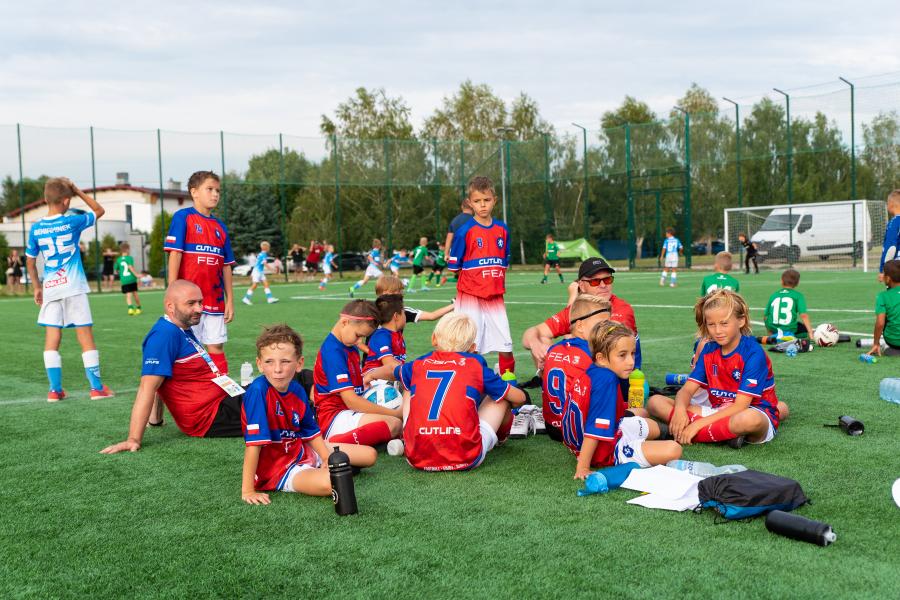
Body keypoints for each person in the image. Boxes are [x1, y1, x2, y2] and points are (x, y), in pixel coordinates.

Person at [100, 280, 248, 454]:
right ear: (170, 306)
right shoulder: (164, 335)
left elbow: (163, 377)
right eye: (191, 303)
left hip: (224, 399)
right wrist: (133, 439)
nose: (199, 309)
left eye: (200, 302)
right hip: (210, 415)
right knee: (272, 402)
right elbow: (148, 387)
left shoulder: (181, 328)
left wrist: (156, 420)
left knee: (270, 387)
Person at [240, 324, 376, 504]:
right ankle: (317, 474)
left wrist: (326, 458)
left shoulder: (297, 390)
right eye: (269, 362)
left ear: (299, 363)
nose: (277, 369)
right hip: (280, 468)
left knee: (370, 455)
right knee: (332, 482)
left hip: (301, 449)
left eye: (285, 361)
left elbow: (310, 431)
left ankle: (320, 467)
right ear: (259, 364)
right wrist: (248, 490)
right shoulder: (258, 392)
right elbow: (253, 445)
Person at [647, 290, 788, 447]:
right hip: (718, 410)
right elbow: (686, 390)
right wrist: (679, 411)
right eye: (711, 325)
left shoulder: (753, 353)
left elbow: (740, 406)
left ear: (741, 321)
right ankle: (725, 435)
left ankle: (684, 431)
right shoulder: (709, 349)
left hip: (747, 411)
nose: (718, 331)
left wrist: (697, 424)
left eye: (724, 323)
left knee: (749, 420)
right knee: (655, 402)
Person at [393, 312, 526, 470]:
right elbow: (519, 398)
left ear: (434, 338)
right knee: (501, 394)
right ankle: (501, 438)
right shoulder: (475, 364)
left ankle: (408, 437)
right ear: (473, 348)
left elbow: (393, 371)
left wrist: (372, 375)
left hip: (416, 457)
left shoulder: (418, 364)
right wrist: (510, 391)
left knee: (408, 384)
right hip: (466, 457)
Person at [25, 177, 113, 402]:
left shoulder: (36, 228)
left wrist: (37, 287)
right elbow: (99, 210)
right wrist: (77, 190)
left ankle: (55, 391)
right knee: (85, 335)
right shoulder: (73, 222)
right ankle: (96, 388)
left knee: (52, 337)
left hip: (51, 288)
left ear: (45, 198)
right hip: (73, 287)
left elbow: (30, 262)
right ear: (66, 201)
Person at [566, 322, 682, 480]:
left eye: (632, 353)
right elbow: (594, 429)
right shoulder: (606, 380)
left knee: (643, 413)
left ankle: (667, 434)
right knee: (673, 450)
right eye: (622, 355)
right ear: (601, 358)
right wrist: (583, 467)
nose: (631, 361)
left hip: (610, 431)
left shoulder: (589, 370)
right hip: (603, 450)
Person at [165, 170, 235, 369]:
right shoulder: (183, 217)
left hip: (215, 300)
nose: (215, 194)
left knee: (216, 346)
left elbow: (226, 266)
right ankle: (183, 386)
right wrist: (172, 291)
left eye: (218, 191)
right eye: (209, 189)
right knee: (186, 349)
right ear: (194, 192)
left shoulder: (220, 227)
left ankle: (219, 386)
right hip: (187, 301)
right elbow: (175, 254)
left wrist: (230, 300)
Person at [522, 257, 641, 374]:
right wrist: (535, 345)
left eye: (607, 279)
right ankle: (551, 384)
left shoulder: (622, 308)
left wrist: (571, 335)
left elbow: (605, 341)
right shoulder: (581, 309)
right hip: (590, 370)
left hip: (620, 376)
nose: (603, 285)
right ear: (582, 286)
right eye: (595, 281)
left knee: (575, 342)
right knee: (540, 339)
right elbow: (530, 334)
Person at [447, 176, 516, 377]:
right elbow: (454, 267)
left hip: (495, 297)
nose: (482, 205)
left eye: (487, 200)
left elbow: (504, 260)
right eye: (477, 201)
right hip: (470, 296)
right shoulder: (464, 231)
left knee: (505, 344)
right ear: (470, 203)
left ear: (495, 200)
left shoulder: (502, 229)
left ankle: (507, 381)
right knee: (470, 343)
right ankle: (469, 380)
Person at [313, 299, 402, 445]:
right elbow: (351, 401)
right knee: (394, 424)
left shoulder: (349, 345)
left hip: (349, 410)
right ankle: (329, 445)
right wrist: (396, 414)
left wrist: (369, 377)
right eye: (358, 335)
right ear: (345, 322)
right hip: (334, 417)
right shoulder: (333, 352)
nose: (359, 341)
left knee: (396, 409)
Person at [541, 295, 612, 442]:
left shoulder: (553, 349)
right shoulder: (595, 354)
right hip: (580, 429)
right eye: (601, 325)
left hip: (552, 428)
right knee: (638, 413)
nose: (607, 330)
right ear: (580, 326)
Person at [361, 294, 407, 383]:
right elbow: (389, 365)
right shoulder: (381, 336)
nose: (405, 316)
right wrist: (411, 370)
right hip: (373, 380)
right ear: (396, 316)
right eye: (404, 313)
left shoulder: (396, 334)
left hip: (387, 378)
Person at [375, 275, 454, 324]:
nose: (401, 294)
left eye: (401, 291)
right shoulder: (372, 310)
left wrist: (454, 305)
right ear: (385, 293)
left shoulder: (403, 311)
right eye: (398, 291)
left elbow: (432, 316)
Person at [763, 268, 813, 341]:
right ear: (797, 283)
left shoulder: (774, 295)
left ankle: (776, 335)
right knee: (803, 330)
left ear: (781, 281)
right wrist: (811, 333)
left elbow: (765, 317)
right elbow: (803, 315)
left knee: (797, 325)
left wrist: (770, 332)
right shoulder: (798, 296)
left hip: (774, 329)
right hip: (789, 329)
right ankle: (787, 335)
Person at [868, 259, 900, 357]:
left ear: (888, 278)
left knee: (886, 315)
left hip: (894, 342)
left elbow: (880, 323)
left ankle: (883, 346)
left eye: (884, 274)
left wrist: (875, 343)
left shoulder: (882, 296)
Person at [243, 241, 279, 305]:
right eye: (268, 247)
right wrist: (272, 269)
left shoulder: (261, 254)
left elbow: (258, 263)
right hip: (257, 272)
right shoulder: (263, 254)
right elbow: (265, 264)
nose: (269, 248)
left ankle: (270, 298)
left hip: (259, 272)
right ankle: (246, 298)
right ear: (265, 247)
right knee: (254, 285)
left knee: (266, 284)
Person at [114, 241, 142, 315]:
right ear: (127, 250)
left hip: (124, 280)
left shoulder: (118, 260)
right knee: (135, 294)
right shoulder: (129, 258)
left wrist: (121, 273)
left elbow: (116, 271)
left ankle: (130, 309)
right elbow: (130, 267)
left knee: (128, 295)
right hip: (131, 279)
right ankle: (138, 308)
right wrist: (136, 275)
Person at [879, 190, 900, 282]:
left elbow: (891, 247)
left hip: (897, 266)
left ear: (891, 204)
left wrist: (883, 270)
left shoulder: (894, 222)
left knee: (894, 290)